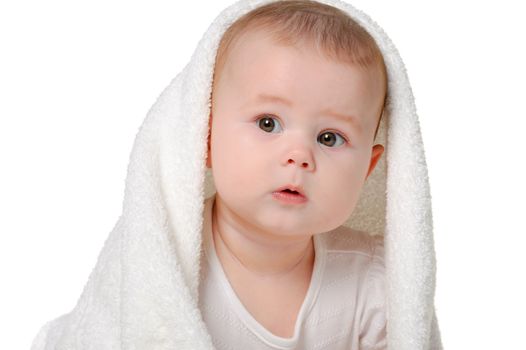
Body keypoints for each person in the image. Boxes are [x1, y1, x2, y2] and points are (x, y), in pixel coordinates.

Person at [30, 1, 443, 349]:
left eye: (330, 137)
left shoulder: (374, 285)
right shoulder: (161, 255)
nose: (299, 156)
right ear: (203, 140)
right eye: (268, 123)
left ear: (368, 170)